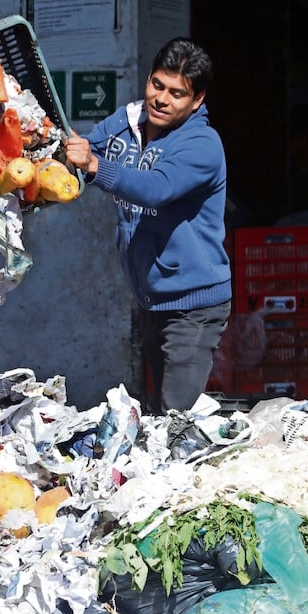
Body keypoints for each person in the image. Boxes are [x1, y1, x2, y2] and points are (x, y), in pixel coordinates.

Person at [64, 37, 231, 415]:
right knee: (157, 415)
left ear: (197, 100)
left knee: (177, 417)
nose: (161, 99)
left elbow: (156, 189)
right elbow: (84, 149)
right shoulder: (126, 123)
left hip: (194, 305)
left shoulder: (202, 144)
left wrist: (94, 167)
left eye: (177, 93)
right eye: (158, 85)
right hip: (150, 299)